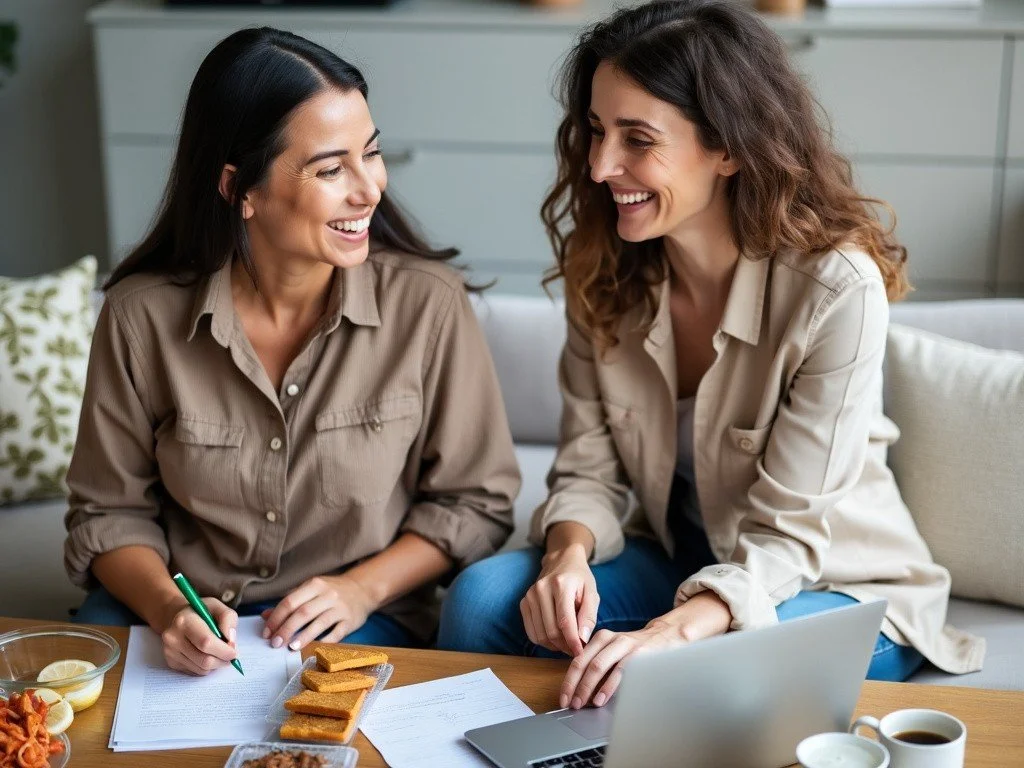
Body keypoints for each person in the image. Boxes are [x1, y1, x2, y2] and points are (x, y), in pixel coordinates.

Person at [437, 0, 983, 708]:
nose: (602, 166)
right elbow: (588, 469)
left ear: (727, 147)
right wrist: (566, 556)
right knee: (482, 602)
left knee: (719, 680)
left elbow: (788, 535)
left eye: (637, 138)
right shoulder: (603, 266)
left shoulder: (834, 289)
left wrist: (675, 633)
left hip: (829, 582)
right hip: (682, 559)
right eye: (597, 132)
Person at [65, 27, 520, 676]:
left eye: (372, 154)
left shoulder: (428, 304)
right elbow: (108, 514)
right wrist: (170, 610)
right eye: (331, 169)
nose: (370, 189)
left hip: (363, 612)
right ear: (238, 188)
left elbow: (475, 503)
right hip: (180, 606)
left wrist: (361, 589)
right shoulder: (138, 316)